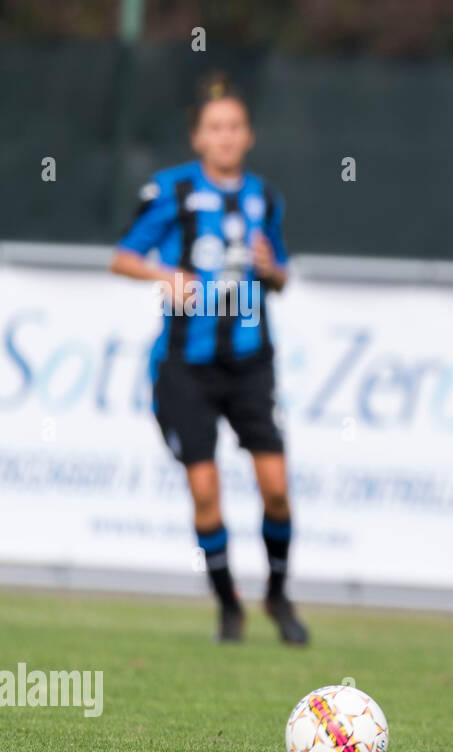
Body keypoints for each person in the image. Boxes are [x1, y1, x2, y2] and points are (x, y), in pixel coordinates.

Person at [109, 71, 308, 646]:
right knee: (204, 489)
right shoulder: (170, 191)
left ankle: (277, 593)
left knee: (275, 485)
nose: (225, 137)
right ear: (197, 138)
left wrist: (272, 270)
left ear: (248, 137)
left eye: (235, 127)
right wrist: (161, 273)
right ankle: (228, 605)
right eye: (214, 128)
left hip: (250, 362)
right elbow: (122, 257)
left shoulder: (264, 198)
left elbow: (282, 277)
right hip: (184, 365)